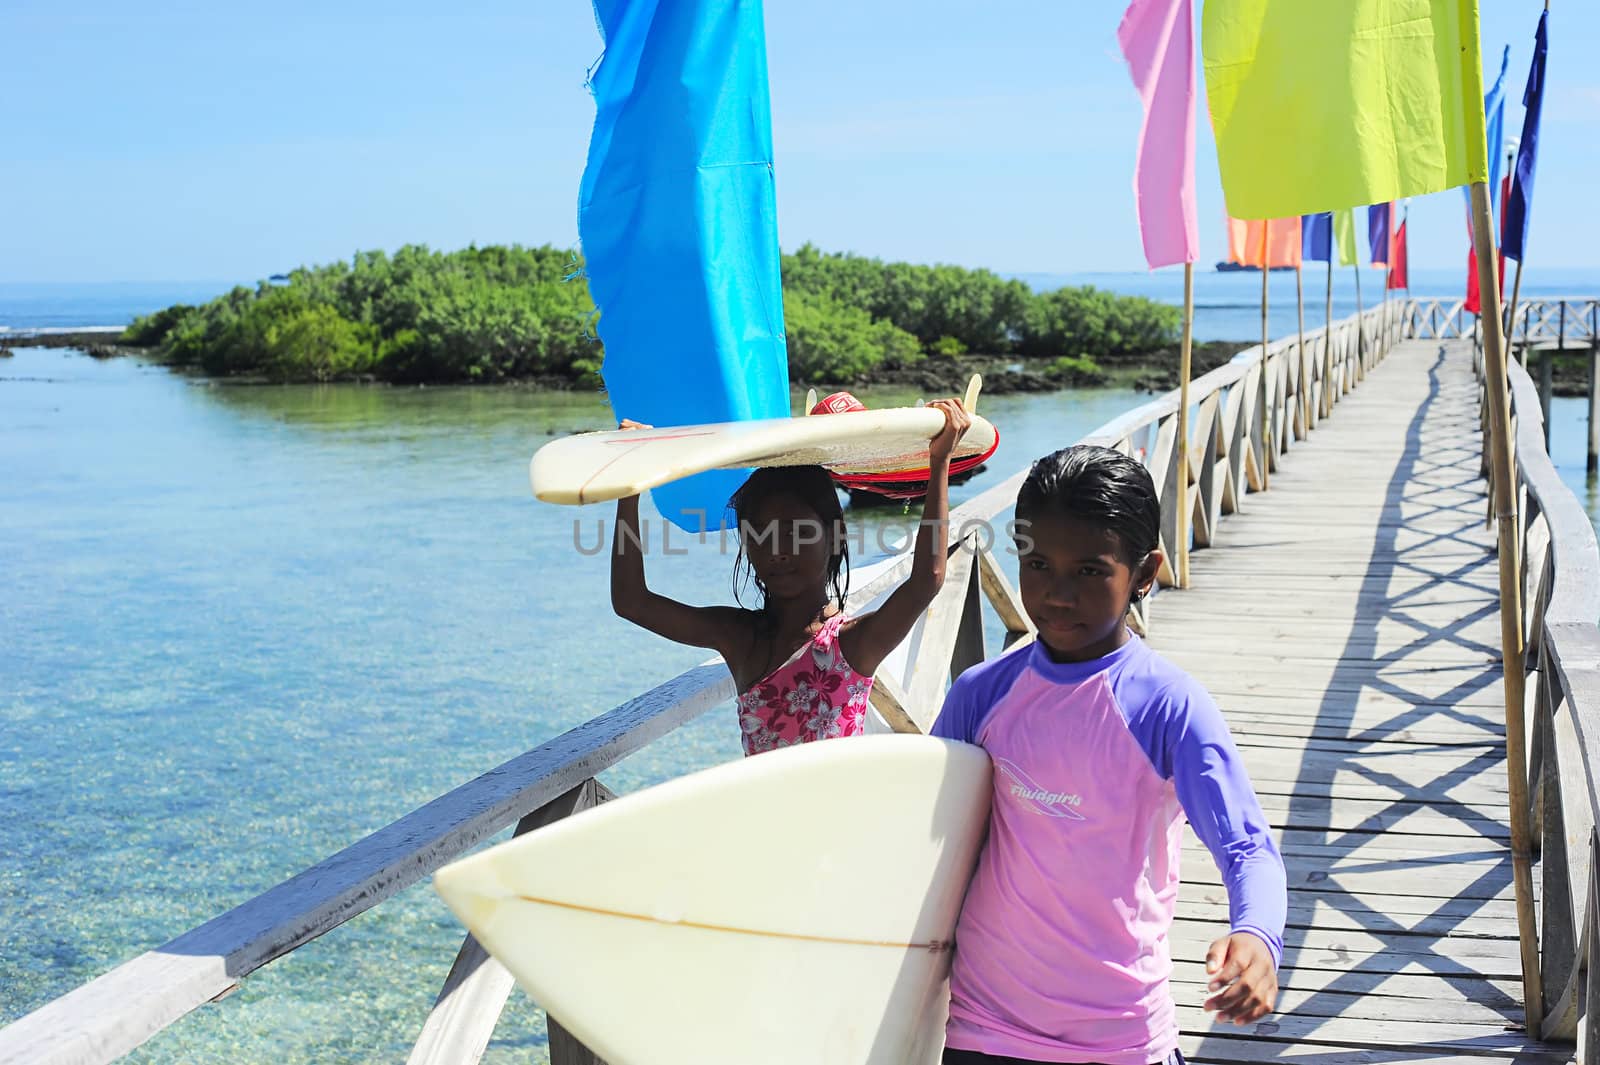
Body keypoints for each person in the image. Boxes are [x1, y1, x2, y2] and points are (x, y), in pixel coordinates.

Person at [930, 444, 1286, 1065]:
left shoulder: (1168, 707)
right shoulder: (980, 695)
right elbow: (918, 840)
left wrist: (1257, 936)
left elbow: (1247, 847)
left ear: (1144, 574)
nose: (1057, 593)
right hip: (981, 1027)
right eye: (1037, 563)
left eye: (1090, 571)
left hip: (1120, 1036)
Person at [610, 399, 971, 756]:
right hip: (764, 815)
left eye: (795, 532)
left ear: (834, 537)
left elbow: (928, 578)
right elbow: (632, 602)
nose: (777, 550)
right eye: (760, 534)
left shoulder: (851, 645)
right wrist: (629, 489)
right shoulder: (741, 636)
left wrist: (939, 463)